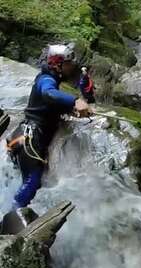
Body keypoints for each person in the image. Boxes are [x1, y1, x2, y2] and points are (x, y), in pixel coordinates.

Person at [6, 43, 90, 210]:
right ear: (58, 65)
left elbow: (50, 104)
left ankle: (13, 212)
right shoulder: (46, 80)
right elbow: (48, 94)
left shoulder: (51, 79)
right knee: (32, 182)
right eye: (68, 64)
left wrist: (73, 109)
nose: (71, 67)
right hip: (30, 139)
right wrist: (74, 101)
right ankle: (11, 218)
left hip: (27, 137)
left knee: (33, 183)